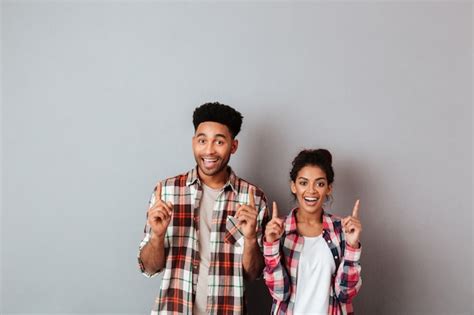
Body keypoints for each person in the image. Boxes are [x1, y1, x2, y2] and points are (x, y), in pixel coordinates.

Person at [138, 102, 268, 315]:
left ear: (233, 146)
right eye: (202, 140)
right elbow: (149, 267)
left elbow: (254, 274)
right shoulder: (167, 192)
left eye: (219, 141)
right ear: (193, 143)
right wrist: (157, 237)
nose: (209, 150)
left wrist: (251, 239)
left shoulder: (252, 198)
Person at [263, 149, 362, 315]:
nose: (311, 191)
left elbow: (345, 295)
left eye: (320, 183)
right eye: (303, 183)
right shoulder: (279, 230)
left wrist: (352, 246)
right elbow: (279, 293)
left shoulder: (341, 229)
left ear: (329, 188)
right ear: (293, 186)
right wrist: (271, 246)